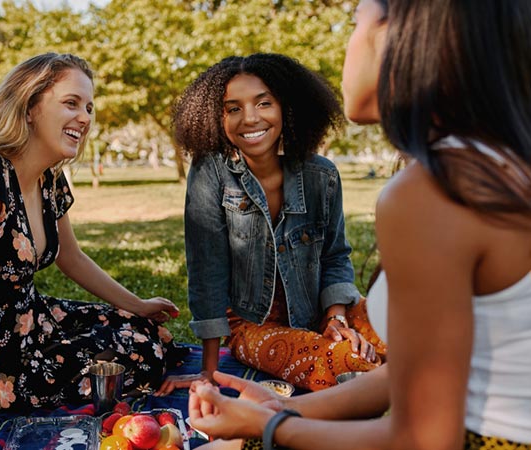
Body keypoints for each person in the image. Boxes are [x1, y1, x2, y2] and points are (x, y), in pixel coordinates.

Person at [188, 0, 531, 449]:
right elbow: (404, 377)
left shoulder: (431, 190)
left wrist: (266, 430)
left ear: (400, 35)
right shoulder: (495, 163)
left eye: (356, 21)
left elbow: (425, 438)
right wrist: (279, 409)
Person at [0, 53, 188, 449]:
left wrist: (138, 304)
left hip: (37, 321)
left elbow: (71, 257)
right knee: (143, 354)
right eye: (71, 103)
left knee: (148, 332)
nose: (84, 117)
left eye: (88, 107)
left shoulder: (49, 179)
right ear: (30, 107)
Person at [158, 53, 385, 397]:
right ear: (214, 118)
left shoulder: (322, 175)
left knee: (414, 329)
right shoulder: (211, 173)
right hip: (253, 326)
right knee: (343, 362)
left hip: (322, 310)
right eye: (233, 108)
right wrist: (208, 371)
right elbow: (207, 273)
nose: (249, 119)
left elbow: (336, 256)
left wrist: (337, 320)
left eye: (263, 103)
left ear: (286, 108)